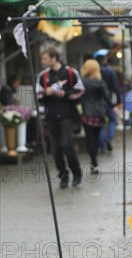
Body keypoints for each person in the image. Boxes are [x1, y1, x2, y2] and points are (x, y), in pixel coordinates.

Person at [36, 47, 85, 188]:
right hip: (51, 116)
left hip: (67, 115)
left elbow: (81, 90)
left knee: (67, 144)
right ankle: (63, 174)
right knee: (55, 149)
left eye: (45, 58)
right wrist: (48, 92)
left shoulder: (70, 72)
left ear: (54, 57)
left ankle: (76, 173)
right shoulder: (43, 76)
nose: (43, 61)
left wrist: (66, 94)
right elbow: (38, 95)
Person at [80, 59, 115, 174]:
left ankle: (93, 162)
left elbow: (77, 97)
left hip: (87, 114)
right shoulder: (100, 82)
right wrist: (114, 109)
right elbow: (108, 98)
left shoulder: (82, 82)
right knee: (95, 138)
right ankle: (95, 160)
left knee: (90, 139)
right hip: (99, 114)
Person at [93, 50, 121, 152]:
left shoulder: (95, 71)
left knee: (101, 122)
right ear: (105, 58)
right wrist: (118, 99)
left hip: (98, 101)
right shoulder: (110, 70)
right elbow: (115, 86)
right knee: (113, 120)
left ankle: (102, 145)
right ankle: (108, 139)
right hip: (108, 100)